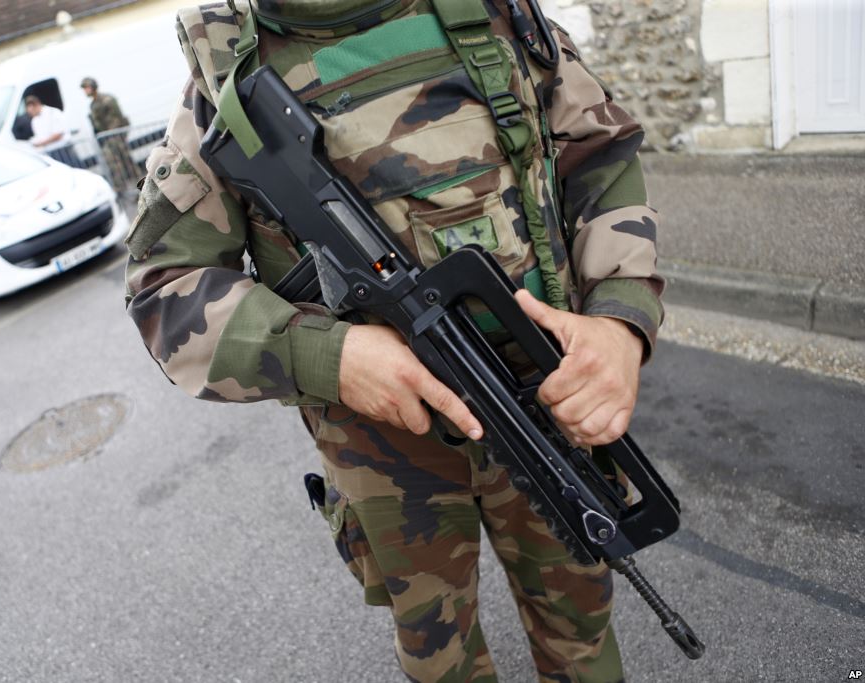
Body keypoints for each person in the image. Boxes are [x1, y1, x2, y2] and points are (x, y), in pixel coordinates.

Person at [124, 1, 664, 681]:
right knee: (442, 658)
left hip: (546, 409)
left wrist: (619, 318)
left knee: (581, 633)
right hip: (385, 451)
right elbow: (163, 288)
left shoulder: (495, 13)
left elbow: (601, 155)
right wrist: (333, 356)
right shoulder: (227, 73)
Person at [81, 77, 135, 196]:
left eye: (86, 88)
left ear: (93, 87)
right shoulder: (93, 105)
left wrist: (112, 135)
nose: (85, 91)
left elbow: (117, 118)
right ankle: (122, 190)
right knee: (114, 165)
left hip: (116, 136)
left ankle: (138, 187)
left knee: (127, 163)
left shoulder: (107, 99)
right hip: (107, 139)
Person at [23, 95, 77, 166]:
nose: (31, 114)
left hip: (63, 150)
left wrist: (41, 143)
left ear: (37, 105)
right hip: (50, 153)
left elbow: (58, 134)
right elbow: (40, 136)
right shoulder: (34, 121)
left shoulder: (53, 112)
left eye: (31, 110)